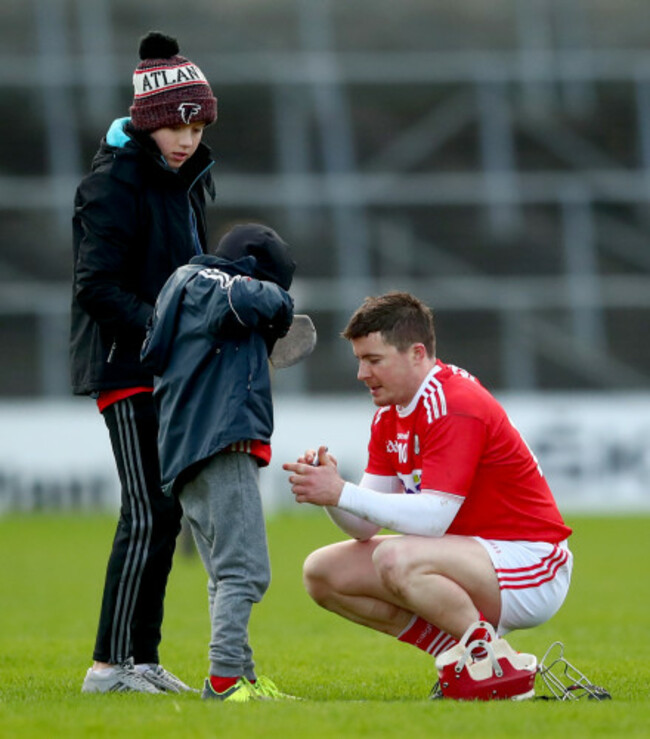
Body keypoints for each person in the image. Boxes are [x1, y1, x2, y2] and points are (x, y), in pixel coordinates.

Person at [283, 291, 573, 695]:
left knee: (395, 556)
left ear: (417, 353)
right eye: (359, 360)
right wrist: (333, 496)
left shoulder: (452, 402)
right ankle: (474, 658)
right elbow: (363, 528)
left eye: (374, 360)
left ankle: (490, 665)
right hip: (471, 556)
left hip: (532, 563)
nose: (362, 374)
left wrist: (342, 491)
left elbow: (434, 517)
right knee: (322, 573)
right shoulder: (391, 413)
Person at [70, 31, 218, 694]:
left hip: (170, 368)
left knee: (165, 511)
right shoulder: (112, 183)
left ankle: (141, 659)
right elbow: (94, 287)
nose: (188, 137)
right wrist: (164, 327)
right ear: (150, 121)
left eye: (198, 123)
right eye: (177, 124)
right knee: (147, 511)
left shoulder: (182, 179)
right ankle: (108, 666)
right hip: (126, 367)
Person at [141, 223, 298, 702]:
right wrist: (282, 308)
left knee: (225, 572)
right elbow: (254, 300)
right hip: (220, 445)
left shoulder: (183, 291)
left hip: (190, 450)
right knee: (247, 572)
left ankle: (242, 677)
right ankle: (225, 680)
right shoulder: (208, 282)